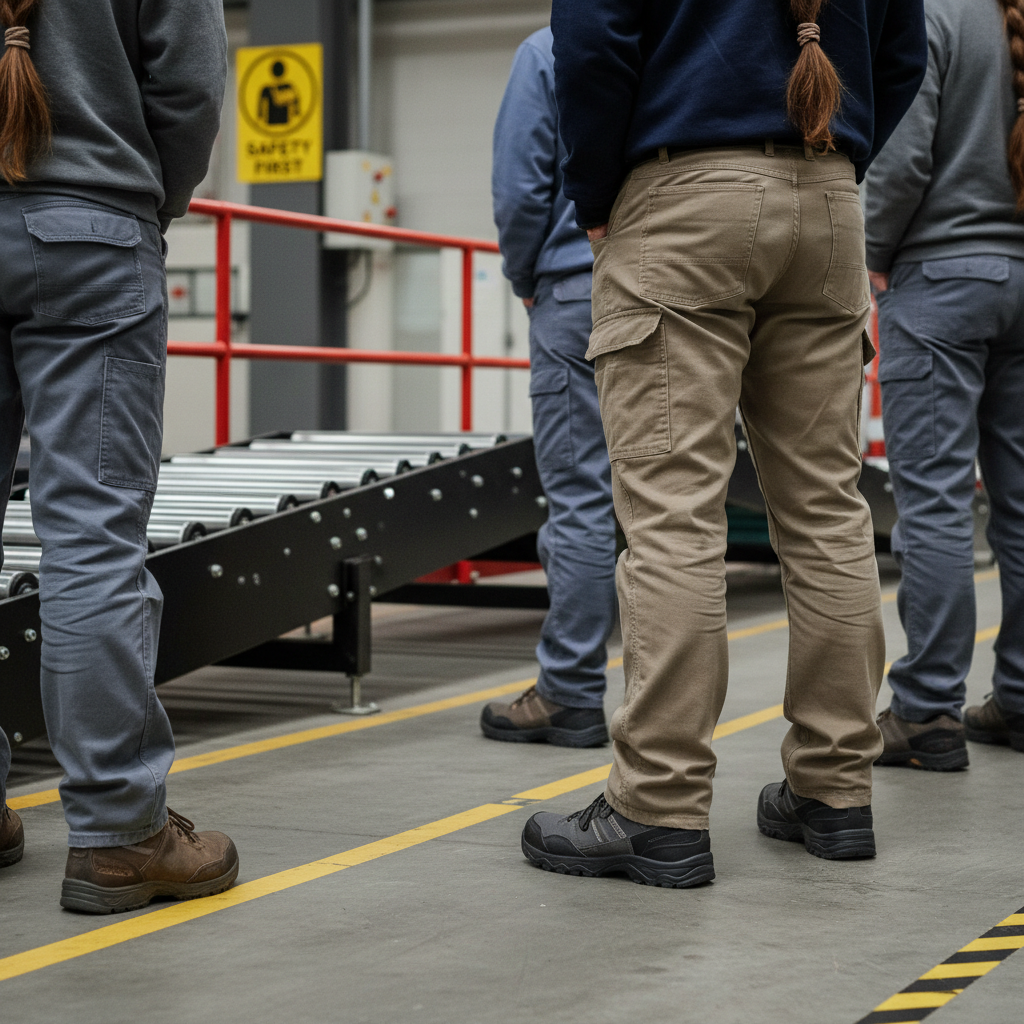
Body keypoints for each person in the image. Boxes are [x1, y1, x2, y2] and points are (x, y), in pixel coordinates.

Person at [521, 0, 927, 887]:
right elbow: (904, 55)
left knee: (673, 518)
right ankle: (834, 790)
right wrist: (835, 147)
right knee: (828, 509)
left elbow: (592, 44)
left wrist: (597, 196)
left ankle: (657, 808)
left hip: (681, 196)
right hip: (828, 201)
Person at [0, 0, 238, 913]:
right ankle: (120, 835)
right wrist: (142, 200)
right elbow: (188, 80)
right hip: (92, 228)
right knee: (92, 540)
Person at [865, 0, 1024, 768]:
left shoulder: (935, 9)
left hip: (938, 281)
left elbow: (902, 157)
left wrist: (866, 252)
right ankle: (1021, 698)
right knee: (1021, 507)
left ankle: (927, 710)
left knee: (933, 501)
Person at [481, 27, 618, 748]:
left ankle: (570, 690)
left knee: (581, 497)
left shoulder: (548, 49)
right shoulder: (678, 44)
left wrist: (525, 275)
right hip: (676, 287)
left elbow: (520, 186)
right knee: (672, 503)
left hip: (577, 289)